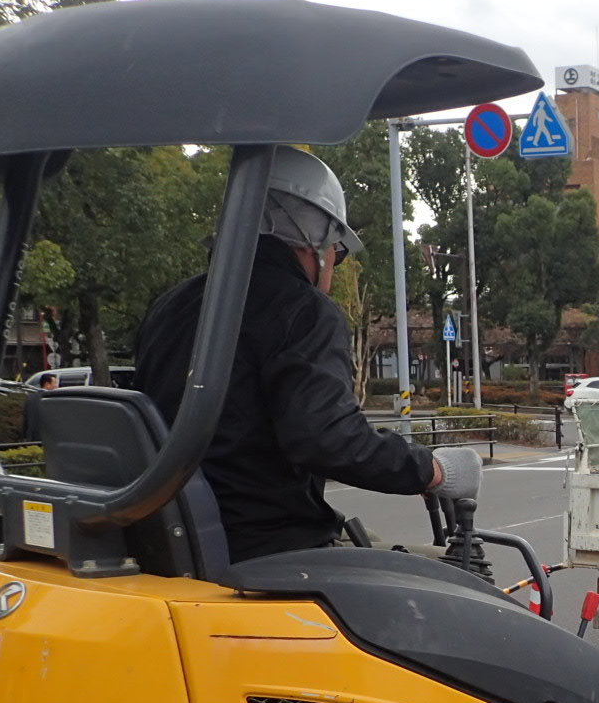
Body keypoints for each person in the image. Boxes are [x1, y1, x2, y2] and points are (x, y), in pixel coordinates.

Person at [133, 147, 479, 563]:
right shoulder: (302, 312)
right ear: (314, 238)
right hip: (269, 545)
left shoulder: (171, 305)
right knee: (460, 568)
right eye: (338, 248)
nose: (336, 260)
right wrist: (432, 470)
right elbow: (328, 439)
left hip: (174, 541)